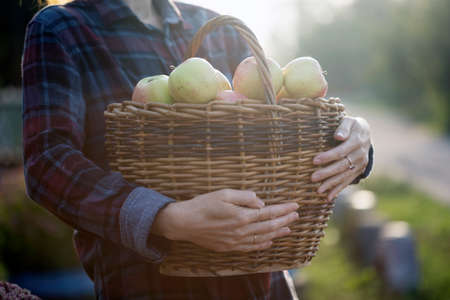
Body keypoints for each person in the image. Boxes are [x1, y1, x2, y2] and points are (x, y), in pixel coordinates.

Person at [22, 0, 373, 299]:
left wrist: (353, 137)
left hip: (262, 283)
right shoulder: (62, 30)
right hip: (147, 286)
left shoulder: (217, 29)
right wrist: (166, 218)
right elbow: (48, 163)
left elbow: (281, 120)